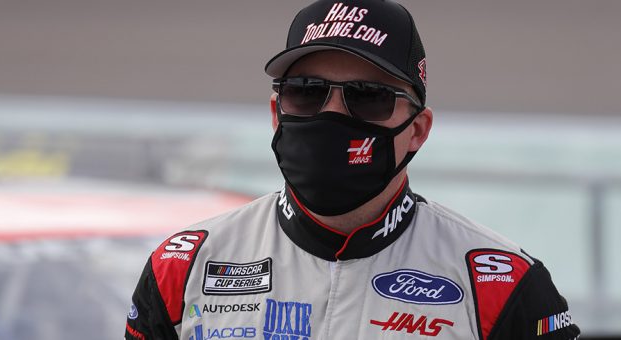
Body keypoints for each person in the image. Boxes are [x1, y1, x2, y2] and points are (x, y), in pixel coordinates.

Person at [125, 1, 580, 339]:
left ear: (417, 131)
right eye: (306, 91)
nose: (333, 115)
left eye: (368, 96)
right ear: (275, 111)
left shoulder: (499, 283)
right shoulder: (182, 268)